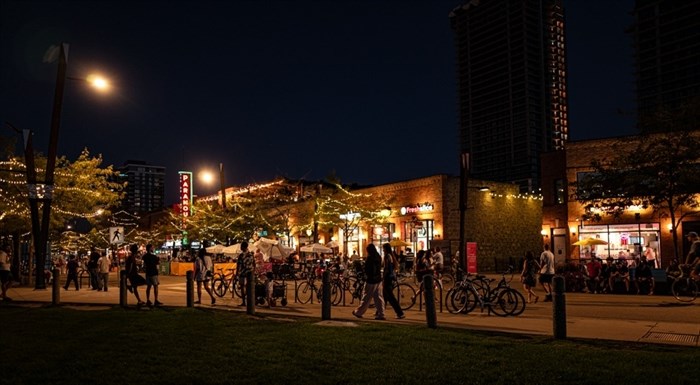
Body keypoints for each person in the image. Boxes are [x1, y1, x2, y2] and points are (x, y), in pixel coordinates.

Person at [352, 244, 385, 320]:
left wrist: (366, 274)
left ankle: (359, 312)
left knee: (366, 297)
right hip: (378, 279)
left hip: (371, 280)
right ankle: (381, 313)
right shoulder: (378, 256)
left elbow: (368, 269)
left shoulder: (370, 258)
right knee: (379, 297)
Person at [382, 243, 405, 319]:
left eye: (383, 248)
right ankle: (380, 311)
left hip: (387, 278)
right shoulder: (391, 256)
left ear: (386, 249)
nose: (382, 250)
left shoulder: (387, 256)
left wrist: (383, 278)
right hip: (390, 278)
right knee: (384, 296)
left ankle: (400, 313)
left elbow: (386, 268)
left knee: (391, 297)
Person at [236, 241, 255, 306]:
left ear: (243, 247)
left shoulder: (241, 255)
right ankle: (250, 301)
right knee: (249, 287)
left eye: (241, 246)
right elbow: (254, 263)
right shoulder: (251, 254)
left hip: (243, 273)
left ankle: (244, 302)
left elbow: (238, 265)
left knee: (242, 287)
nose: (240, 247)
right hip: (250, 272)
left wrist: (237, 273)